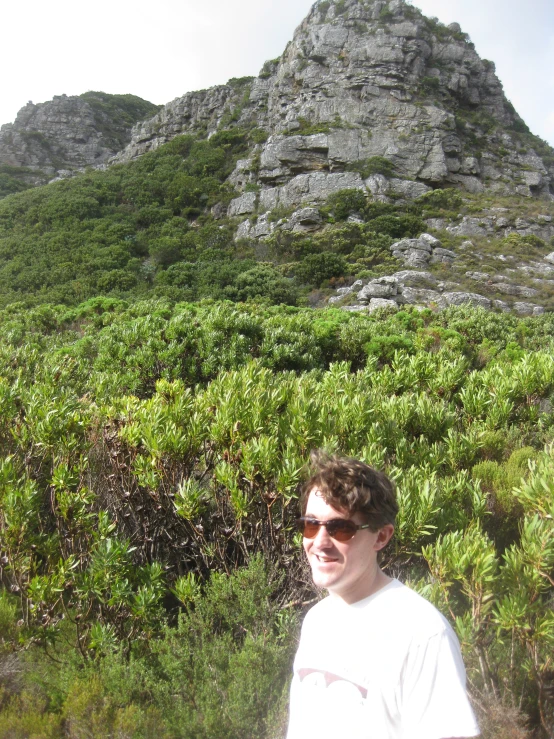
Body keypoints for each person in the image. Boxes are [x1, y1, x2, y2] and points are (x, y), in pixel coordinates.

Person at [286, 452, 480, 739]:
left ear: (381, 536)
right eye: (311, 524)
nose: (320, 542)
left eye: (341, 529)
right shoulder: (316, 620)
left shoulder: (422, 634)